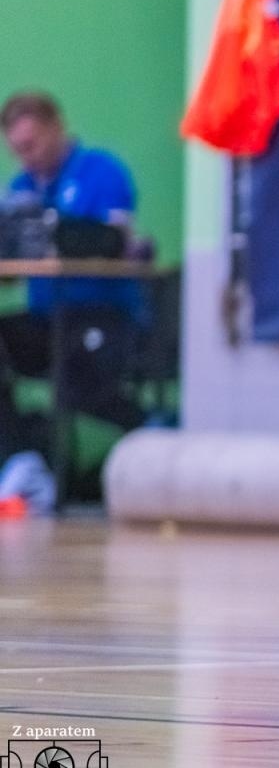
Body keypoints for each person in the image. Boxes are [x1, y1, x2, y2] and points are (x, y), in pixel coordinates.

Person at [0, 91, 145, 488]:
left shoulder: (101, 171)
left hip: (102, 317)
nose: (26, 156)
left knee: (79, 386)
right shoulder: (19, 189)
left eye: (31, 144)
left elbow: (116, 243)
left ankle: (155, 431)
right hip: (47, 319)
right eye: (17, 149)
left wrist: (60, 233)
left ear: (56, 127)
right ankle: (21, 461)